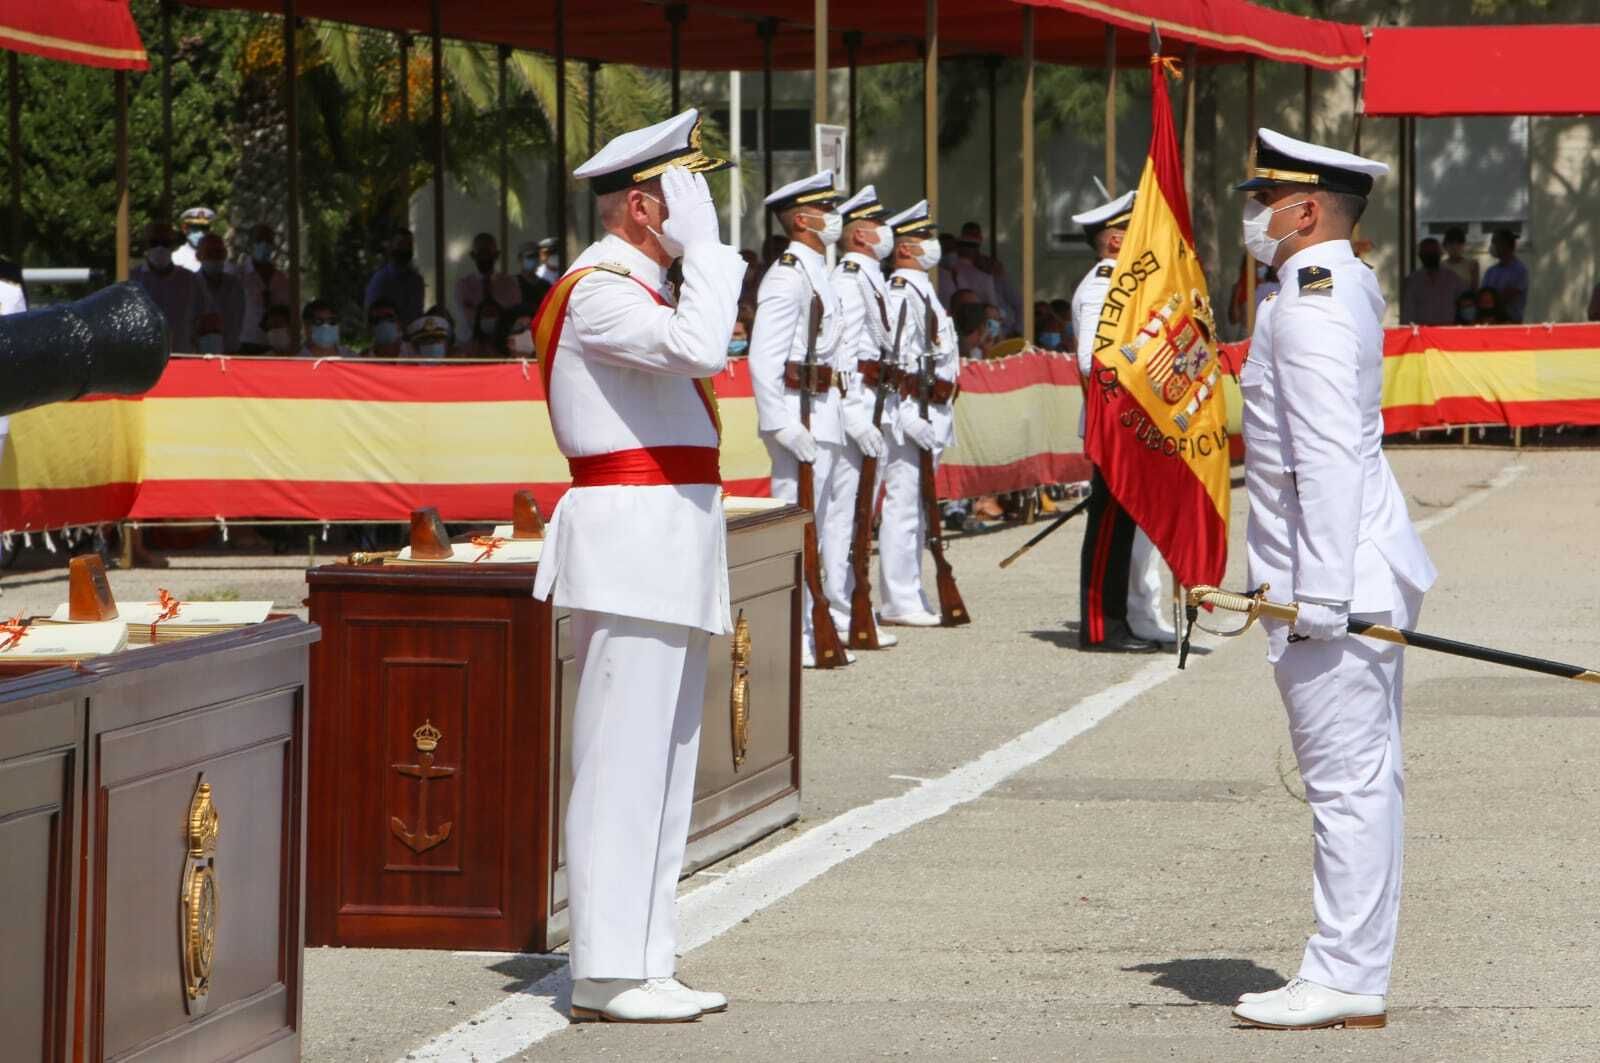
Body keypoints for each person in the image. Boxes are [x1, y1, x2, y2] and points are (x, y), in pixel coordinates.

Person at [532, 108, 744, 1024]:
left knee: (662, 763)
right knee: (622, 758)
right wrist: (714, 257)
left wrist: (697, 262)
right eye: (687, 194)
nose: (703, 210)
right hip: (631, 540)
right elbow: (702, 349)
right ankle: (605, 967)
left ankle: (644, 955)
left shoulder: (637, 286)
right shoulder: (601, 289)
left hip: (666, 538)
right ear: (644, 207)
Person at [1230, 128, 1436, 1032]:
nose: (1251, 214)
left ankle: (1346, 971)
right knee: (1368, 778)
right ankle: (1355, 963)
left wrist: (1317, 595)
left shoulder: (1308, 300)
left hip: (1336, 578)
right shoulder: (1335, 281)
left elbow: (1321, 457)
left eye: (1261, 198)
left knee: (1346, 781)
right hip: (1355, 568)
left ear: (1305, 209)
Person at [749, 169, 853, 667]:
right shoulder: (787, 275)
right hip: (798, 414)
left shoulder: (818, 271)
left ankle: (821, 624)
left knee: (828, 524)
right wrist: (779, 423)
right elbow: (762, 357)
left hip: (825, 412)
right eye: (826, 210)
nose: (835, 218)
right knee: (795, 527)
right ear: (802, 219)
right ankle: (791, 635)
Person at [1070, 190, 1173, 651]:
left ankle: (1122, 620)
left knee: (1125, 528)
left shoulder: (1124, 283)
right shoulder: (1102, 284)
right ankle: (1101, 627)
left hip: (1129, 422)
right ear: (1114, 241)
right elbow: (1094, 361)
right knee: (1109, 529)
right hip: (1113, 423)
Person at [878, 200, 959, 626]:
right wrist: (907, 414)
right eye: (925, 238)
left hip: (935, 410)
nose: (934, 245)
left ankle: (911, 588)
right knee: (903, 506)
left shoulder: (922, 289)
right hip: (913, 412)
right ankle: (898, 596)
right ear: (906, 248)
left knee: (919, 507)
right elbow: (895, 361)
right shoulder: (900, 293)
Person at [829, 184, 898, 650]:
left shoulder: (870, 278)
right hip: (859, 403)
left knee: (861, 513)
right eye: (877, 224)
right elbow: (844, 351)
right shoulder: (850, 279)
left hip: (880, 401)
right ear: (858, 235)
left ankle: (855, 603)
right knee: (844, 515)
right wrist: (853, 413)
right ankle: (837, 608)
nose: (885, 232)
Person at [132, 221, 210, 353]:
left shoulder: (190, 281)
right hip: (144, 358)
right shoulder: (132, 280)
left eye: (165, 243)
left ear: (173, 245)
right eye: (154, 243)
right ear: (145, 245)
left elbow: (204, 320)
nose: (160, 248)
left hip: (183, 357)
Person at [454, 233, 522, 342]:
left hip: (502, 345)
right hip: (469, 346)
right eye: (481, 253)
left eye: (488, 253)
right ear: (473, 255)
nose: (485, 257)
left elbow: (515, 316)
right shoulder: (463, 285)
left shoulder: (510, 284)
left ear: (496, 255)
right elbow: (467, 317)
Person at [237, 222, 290, 352]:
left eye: (268, 241)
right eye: (259, 240)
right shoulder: (239, 276)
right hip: (246, 344)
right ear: (250, 244)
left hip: (276, 344)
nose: (264, 245)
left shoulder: (281, 279)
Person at [1401, 237, 1469, 326]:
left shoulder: (1452, 279)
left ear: (1440, 254)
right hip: (1422, 333)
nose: (1430, 255)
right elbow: (1408, 313)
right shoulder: (1412, 281)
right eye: (1427, 253)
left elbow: (1466, 305)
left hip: (1448, 331)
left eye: (1433, 252)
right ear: (1421, 255)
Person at [196, 233, 246, 352]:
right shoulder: (190, 285)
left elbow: (239, 321)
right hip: (199, 355)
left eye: (218, 252)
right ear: (198, 255)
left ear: (224, 254)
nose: (214, 256)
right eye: (209, 252)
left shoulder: (235, 285)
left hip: (232, 353)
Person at [364, 228, 426, 325]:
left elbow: (418, 313)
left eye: (409, 245)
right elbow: (371, 316)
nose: (405, 249)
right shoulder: (381, 279)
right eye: (401, 244)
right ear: (391, 247)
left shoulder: (416, 281)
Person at [936, 223, 999, 316]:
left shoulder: (982, 274)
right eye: (945, 249)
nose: (948, 253)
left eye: (950, 249)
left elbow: (993, 309)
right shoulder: (933, 276)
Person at [1482, 228, 1528, 323]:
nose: (1492, 246)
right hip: (1491, 323)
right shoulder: (1490, 271)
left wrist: (1492, 300)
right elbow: (1483, 297)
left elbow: (1507, 296)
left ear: (1505, 245)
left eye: (1495, 242)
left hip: (1512, 322)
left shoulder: (1519, 270)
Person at [171, 206, 215, 272]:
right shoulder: (176, 259)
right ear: (185, 229)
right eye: (196, 228)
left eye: (205, 228)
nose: (201, 232)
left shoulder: (216, 257)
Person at [1441, 225, 1480, 292]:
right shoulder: (1440, 266)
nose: (1455, 247)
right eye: (1451, 243)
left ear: (1463, 245)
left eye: (1459, 243)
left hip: (1467, 301)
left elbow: (1475, 290)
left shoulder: (1472, 264)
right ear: (1445, 245)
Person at [516, 240, 553, 309]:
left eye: (536, 256)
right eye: (530, 256)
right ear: (520, 259)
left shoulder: (545, 285)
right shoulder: (514, 284)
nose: (534, 260)